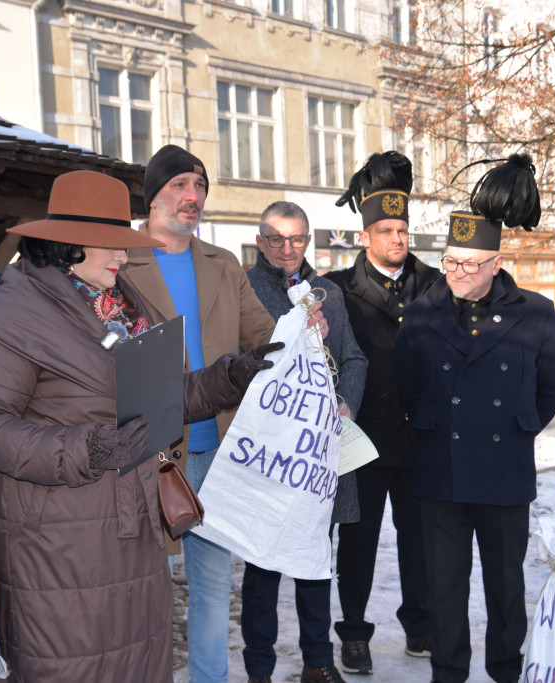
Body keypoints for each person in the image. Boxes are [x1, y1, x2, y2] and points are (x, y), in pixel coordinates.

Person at [0, 170, 281, 681]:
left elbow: (162, 399)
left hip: (133, 527)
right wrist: (87, 449)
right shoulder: (10, 311)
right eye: (109, 246)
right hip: (57, 540)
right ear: (66, 246)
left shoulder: (125, 304)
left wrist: (228, 378)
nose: (123, 257)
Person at [395, 154, 555, 683]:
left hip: (503, 469)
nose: (458, 274)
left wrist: (516, 426)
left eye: (470, 265)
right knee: (444, 585)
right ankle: (448, 671)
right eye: (451, 263)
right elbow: (408, 382)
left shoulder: (536, 312)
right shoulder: (424, 310)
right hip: (440, 471)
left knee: (504, 583)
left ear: (495, 264)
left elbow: (552, 386)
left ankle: (504, 669)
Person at [120, 145, 278, 683]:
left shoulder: (222, 263)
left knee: (212, 587)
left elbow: (261, 336)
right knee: (143, 586)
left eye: (200, 186)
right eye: (180, 185)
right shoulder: (120, 261)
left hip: (218, 450)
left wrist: (301, 334)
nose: (193, 197)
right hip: (148, 454)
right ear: (153, 195)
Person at [241, 201, 368, 683]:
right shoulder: (243, 289)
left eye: (296, 239)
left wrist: (345, 405)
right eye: (275, 239)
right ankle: (259, 670)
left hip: (317, 454)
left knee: (315, 565)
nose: (286, 249)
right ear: (260, 243)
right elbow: (233, 361)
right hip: (269, 453)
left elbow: (354, 359)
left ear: (309, 241)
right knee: (263, 574)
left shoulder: (329, 293)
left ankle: (318, 662)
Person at [326, 151, 438, 675]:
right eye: (386, 230)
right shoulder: (337, 290)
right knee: (358, 543)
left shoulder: (435, 284)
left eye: (403, 229)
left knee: (420, 543)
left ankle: (420, 627)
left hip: (420, 441)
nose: (397, 239)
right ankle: (353, 633)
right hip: (362, 440)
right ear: (366, 235)